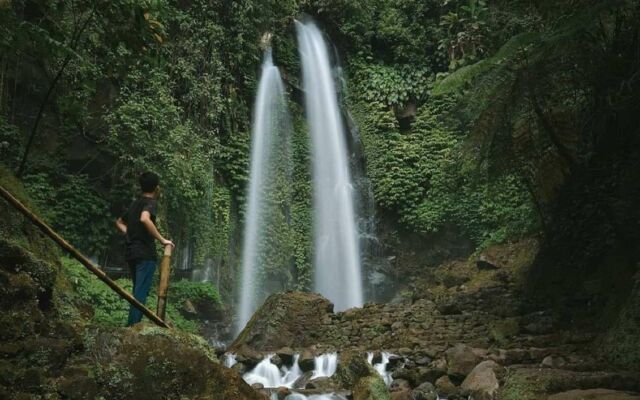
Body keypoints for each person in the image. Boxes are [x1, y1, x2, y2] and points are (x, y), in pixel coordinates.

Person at [116, 171, 174, 326]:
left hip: (131, 253)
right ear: (156, 187)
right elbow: (145, 219)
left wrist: (131, 234)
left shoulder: (135, 203)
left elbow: (120, 222)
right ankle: (132, 328)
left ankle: (132, 325)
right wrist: (162, 240)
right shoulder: (151, 202)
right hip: (145, 254)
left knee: (137, 290)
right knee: (140, 293)